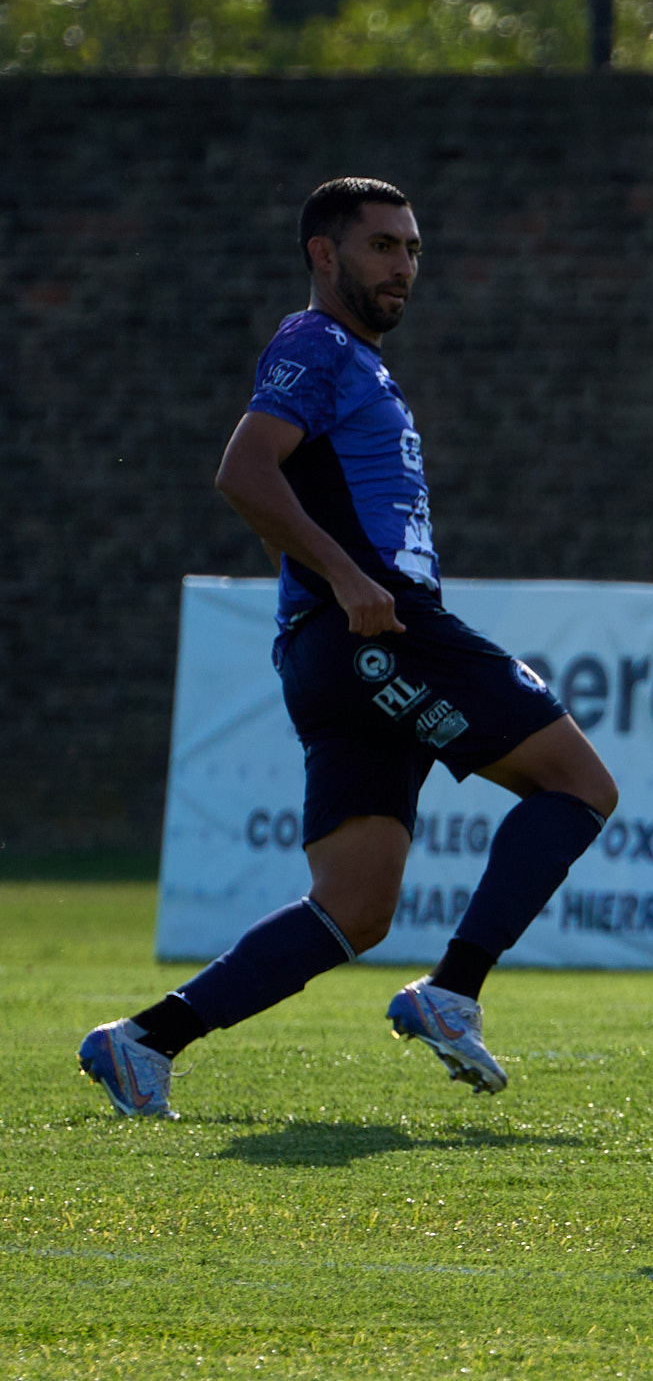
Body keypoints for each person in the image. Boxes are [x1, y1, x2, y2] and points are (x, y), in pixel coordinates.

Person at [79, 178, 618, 1119]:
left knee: (356, 906)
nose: (403, 266)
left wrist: (321, 583)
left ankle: (143, 1042)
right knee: (580, 784)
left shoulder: (360, 364)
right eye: (380, 246)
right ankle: (453, 989)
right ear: (324, 255)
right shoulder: (316, 343)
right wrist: (347, 580)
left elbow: (282, 495)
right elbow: (242, 472)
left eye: (411, 248)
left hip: (337, 652)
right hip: (381, 632)